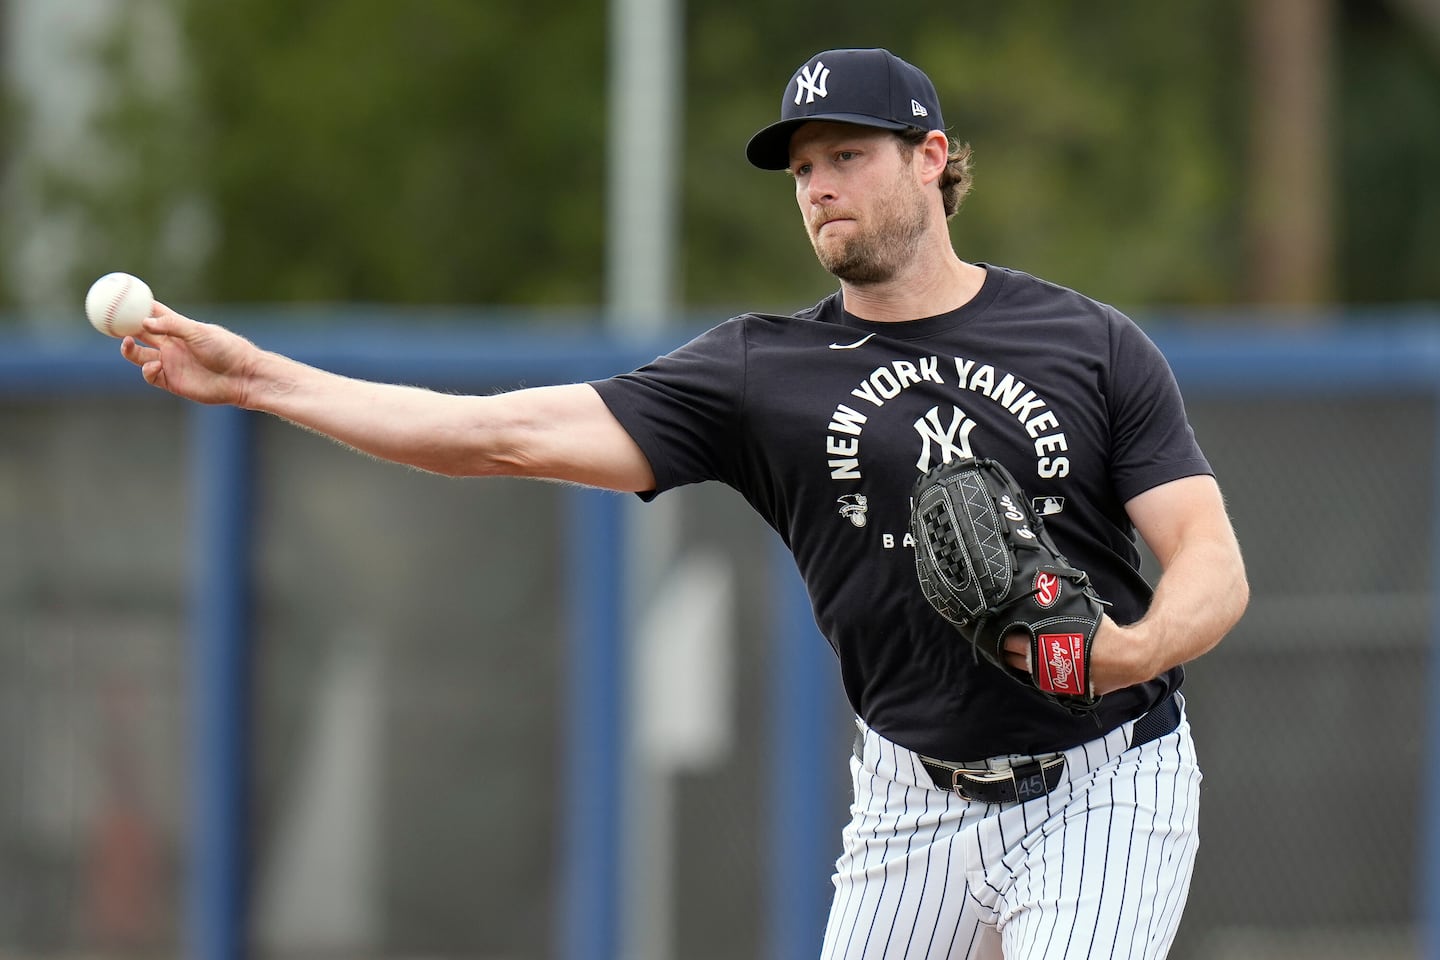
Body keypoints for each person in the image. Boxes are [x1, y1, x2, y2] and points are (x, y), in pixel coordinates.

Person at [120, 47, 1247, 960]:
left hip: (1107, 777)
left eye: (847, 156)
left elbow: (1209, 559)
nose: (819, 189)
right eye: (803, 170)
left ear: (932, 159)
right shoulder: (763, 373)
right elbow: (500, 438)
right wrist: (259, 378)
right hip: (915, 798)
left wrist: (1124, 652)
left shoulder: (1087, 343)